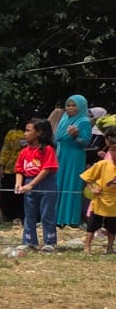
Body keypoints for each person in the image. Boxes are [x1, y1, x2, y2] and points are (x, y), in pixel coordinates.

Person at [15, 116, 59, 251]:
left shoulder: (48, 150)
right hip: (29, 183)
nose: (25, 133)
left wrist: (31, 185)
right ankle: (29, 241)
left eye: (28, 131)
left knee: (47, 214)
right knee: (29, 214)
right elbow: (19, 169)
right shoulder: (24, 152)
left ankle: (49, 242)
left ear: (39, 133)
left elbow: (47, 169)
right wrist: (19, 183)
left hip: (46, 183)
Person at [54, 94, 93, 229]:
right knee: (59, 183)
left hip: (74, 156)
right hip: (61, 155)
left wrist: (76, 135)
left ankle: (70, 218)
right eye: (68, 105)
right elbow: (57, 138)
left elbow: (85, 142)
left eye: (73, 105)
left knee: (71, 184)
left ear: (81, 106)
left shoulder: (84, 121)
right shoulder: (64, 119)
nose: (70, 108)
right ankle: (56, 218)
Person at [80, 138, 116, 254]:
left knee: (112, 227)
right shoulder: (103, 164)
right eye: (113, 150)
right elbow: (87, 177)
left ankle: (110, 248)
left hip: (114, 202)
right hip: (101, 200)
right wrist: (92, 189)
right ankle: (87, 248)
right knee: (92, 226)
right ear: (109, 151)